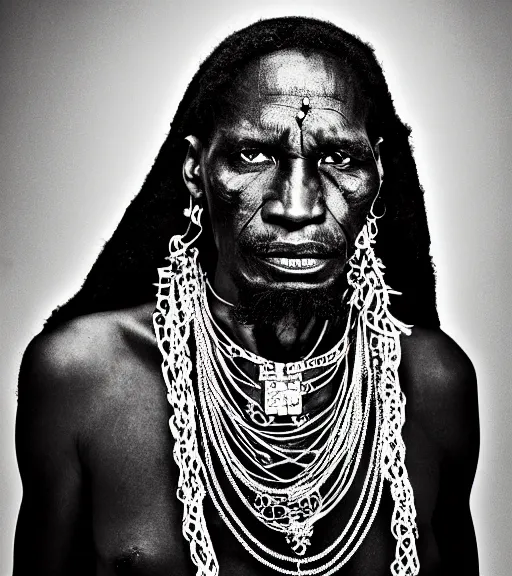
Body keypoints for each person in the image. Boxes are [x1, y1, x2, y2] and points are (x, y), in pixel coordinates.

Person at [13, 16, 479, 576]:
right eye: (254, 156)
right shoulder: (84, 378)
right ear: (194, 169)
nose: (297, 205)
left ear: (379, 173)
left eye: (338, 160)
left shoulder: (433, 383)